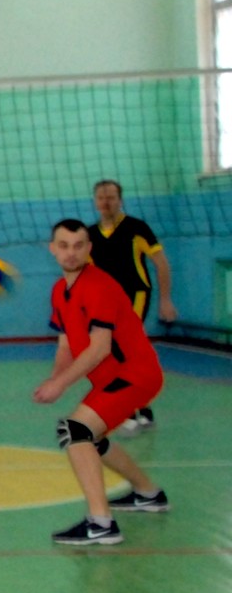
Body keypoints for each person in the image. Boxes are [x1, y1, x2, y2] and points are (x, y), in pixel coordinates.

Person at [33, 218, 169, 547]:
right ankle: (149, 494)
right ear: (52, 249)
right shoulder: (59, 291)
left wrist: (61, 385)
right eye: (63, 246)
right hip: (115, 378)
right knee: (90, 437)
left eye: (79, 245)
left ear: (89, 248)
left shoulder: (99, 285)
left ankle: (101, 524)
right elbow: (66, 344)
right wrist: (54, 378)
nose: (71, 252)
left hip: (135, 375)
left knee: (75, 430)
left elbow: (99, 347)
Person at [88, 180, 177, 434]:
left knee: (119, 348)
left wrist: (166, 300)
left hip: (134, 295)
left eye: (112, 197)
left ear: (120, 200)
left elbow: (161, 263)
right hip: (106, 302)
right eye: (102, 197)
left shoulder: (137, 228)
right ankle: (143, 410)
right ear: (96, 202)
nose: (107, 202)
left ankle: (127, 411)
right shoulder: (90, 235)